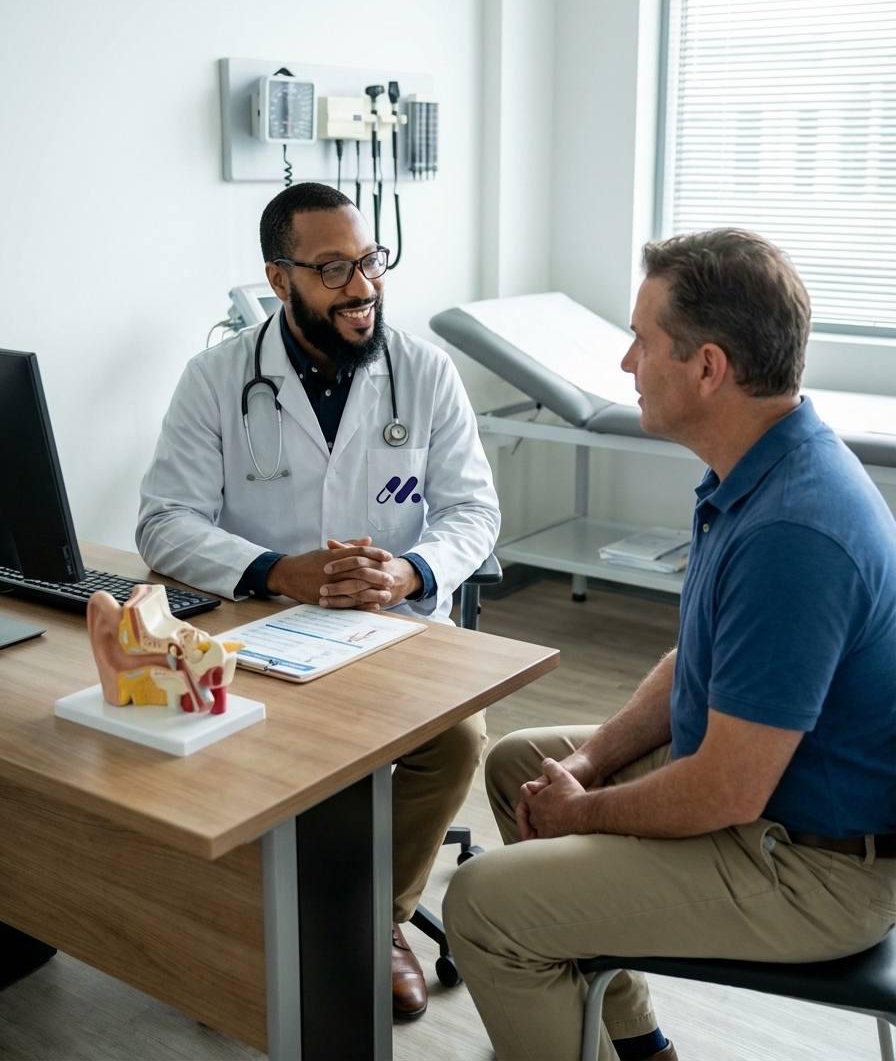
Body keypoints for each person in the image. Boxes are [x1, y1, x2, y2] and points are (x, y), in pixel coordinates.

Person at [443, 228, 896, 1061]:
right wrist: (584, 767)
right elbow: (696, 660)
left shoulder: (794, 531)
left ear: (708, 368)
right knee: (520, 765)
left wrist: (583, 811)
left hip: (815, 871)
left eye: (642, 343)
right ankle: (637, 1045)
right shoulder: (752, 469)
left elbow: (726, 790)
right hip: (771, 802)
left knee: (482, 904)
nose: (627, 364)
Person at [137, 182, 500, 1019]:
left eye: (370, 261)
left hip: (394, 627)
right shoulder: (217, 377)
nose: (362, 286)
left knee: (457, 739)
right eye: (333, 268)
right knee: (211, 734)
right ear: (279, 278)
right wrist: (273, 570)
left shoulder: (424, 371)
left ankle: (379, 918)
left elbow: (474, 511)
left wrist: (411, 572)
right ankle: (239, 917)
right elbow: (164, 521)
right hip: (263, 628)